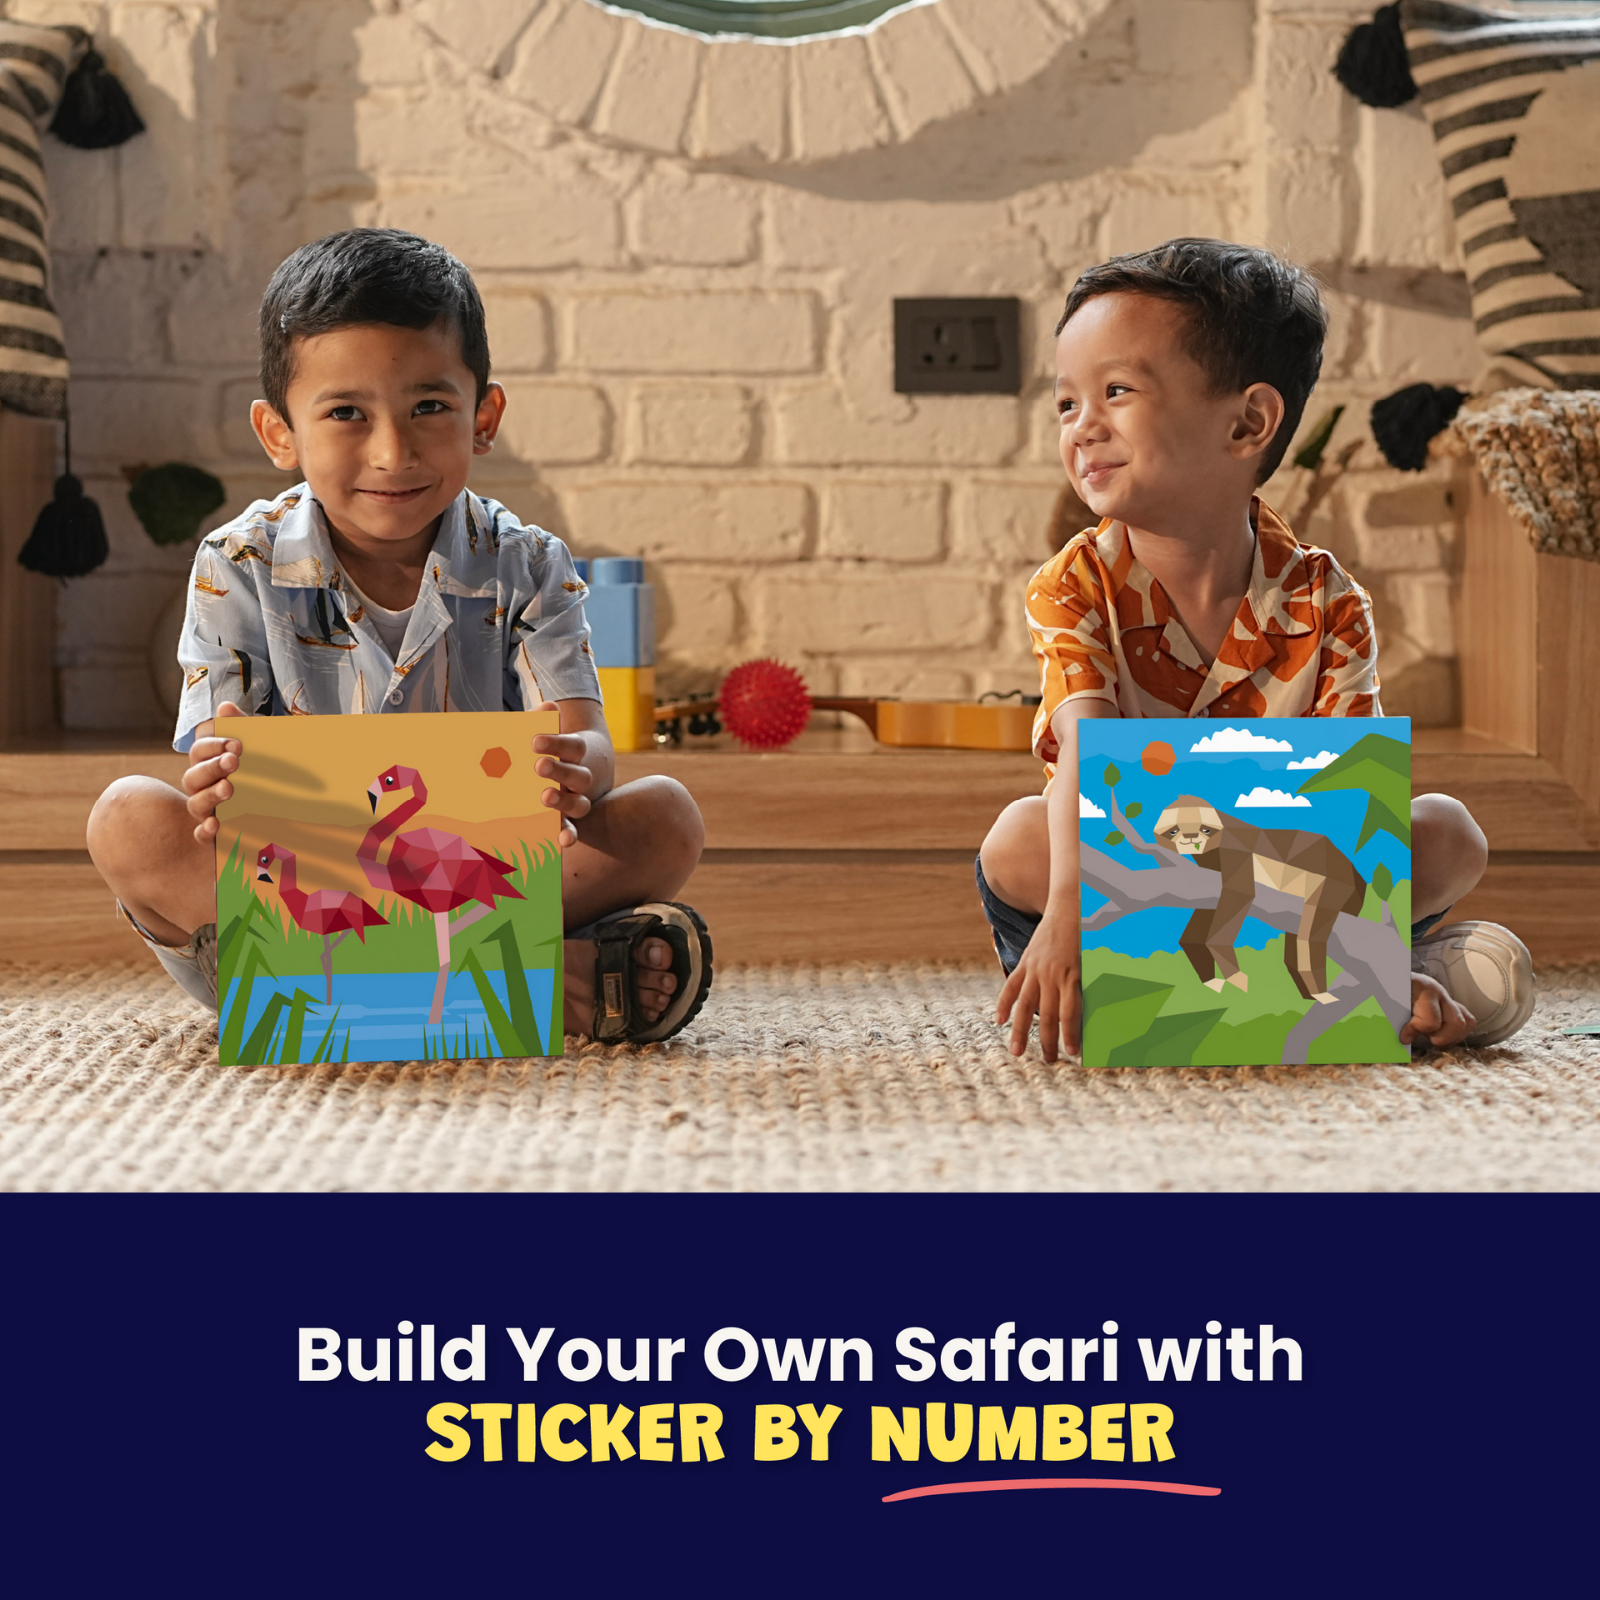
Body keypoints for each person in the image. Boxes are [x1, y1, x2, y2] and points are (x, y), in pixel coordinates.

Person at [87, 228, 711, 1045]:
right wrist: (217, 775)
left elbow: (585, 740)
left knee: (666, 816)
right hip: (295, 906)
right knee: (126, 819)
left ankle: (387, 997)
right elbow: (215, 758)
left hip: (453, 894)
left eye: (429, 407)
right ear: (280, 434)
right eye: (346, 413)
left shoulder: (528, 565)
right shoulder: (236, 562)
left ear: (482, 416)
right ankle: (512, 983)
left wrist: (575, 769)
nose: (392, 451)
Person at [977, 238, 1533, 1063]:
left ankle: (1336, 979)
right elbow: (1088, 762)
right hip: (1128, 871)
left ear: (1247, 422)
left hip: (1283, 873)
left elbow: (1348, 803)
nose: (1082, 426)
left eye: (1117, 391)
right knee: (1020, 840)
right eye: (1066, 404)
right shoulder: (1073, 584)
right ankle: (1361, 986)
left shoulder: (1329, 600)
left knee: (1449, 832)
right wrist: (1064, 914)